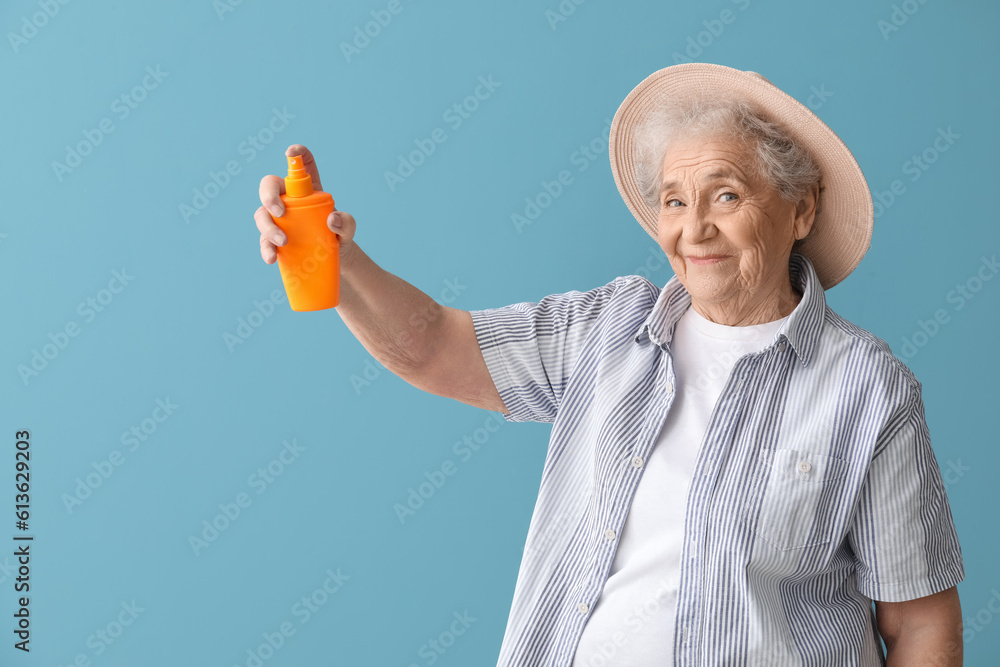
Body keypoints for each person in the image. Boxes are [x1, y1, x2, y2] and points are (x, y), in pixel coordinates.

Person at [253, 63, 964, 666]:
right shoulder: (607, 328)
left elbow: (919, 621)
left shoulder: (868, 390)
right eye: (674, 200)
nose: (695, 228)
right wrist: (338, 262)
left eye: (726, 194)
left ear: (801, 209)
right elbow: (431, 345)